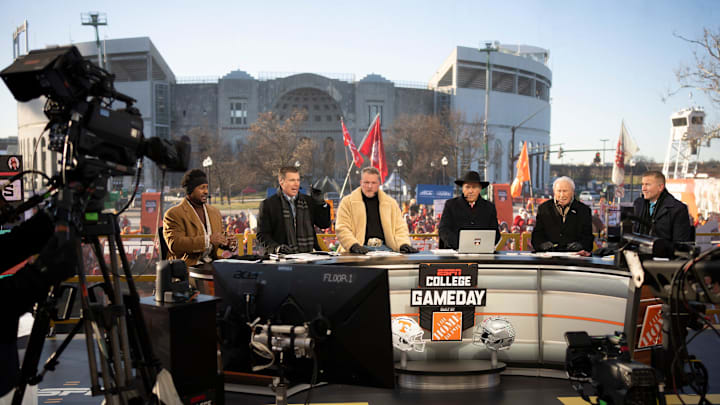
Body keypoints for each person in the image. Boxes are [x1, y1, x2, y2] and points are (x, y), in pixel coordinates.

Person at [335, 167, 418, 254]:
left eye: (373, 183)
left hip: (387, 250)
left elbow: (400, 228)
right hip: (357, 250)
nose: (370, 186)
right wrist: (352, 245)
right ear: (361, 183)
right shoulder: (347, 203)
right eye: (366, 182)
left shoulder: (391, 204)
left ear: (379, 183)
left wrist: (402, 244)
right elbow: (342, 227)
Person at [257, 166, 331, 254]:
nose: (296, 184)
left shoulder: (308, 202)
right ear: (281, 182)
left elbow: (324, 224)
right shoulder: (268, 205)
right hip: (281, 259)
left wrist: (321, 204)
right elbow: (262, 234)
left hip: (308, 256)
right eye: (292, 180)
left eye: (298, 180)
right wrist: (276, 248)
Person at [163, 169, 227, 267]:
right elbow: (175, 244)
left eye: (206, 187)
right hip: (187, 267)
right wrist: (208, 240)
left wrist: (228, 243)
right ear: (190, 190)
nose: (206, 191)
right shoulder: (173, 214)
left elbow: (220, 237)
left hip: (212, 264)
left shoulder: (215, 212)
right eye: (202, 188)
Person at [438, 171, 500, 249]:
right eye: (467, 187)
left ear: (480, 189)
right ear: (463, 189)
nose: (470, 191)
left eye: (474, 187)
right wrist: (459, 244)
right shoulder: (451, 205)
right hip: (455, 252)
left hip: (482, 253)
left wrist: (481, 244)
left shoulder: (489, 207)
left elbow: (495, 233)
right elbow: (443, 229)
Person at [532, 176, 594, 253]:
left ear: (572, 192)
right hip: (548, 256)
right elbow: (537, 235)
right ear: (554, 191)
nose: (562, 195)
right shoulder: (544, 208)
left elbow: (588, 238)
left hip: (574, 257)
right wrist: (542, 244)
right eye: (559, 191)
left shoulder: (584, 210)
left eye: (565, 191)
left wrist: (580, 245)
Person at [633, 171, 693, 243]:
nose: (643, 189)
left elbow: (680, 243)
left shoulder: (678, 209)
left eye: (647, 185)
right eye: (642, 184)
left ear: (660, 187)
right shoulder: (638, 204)